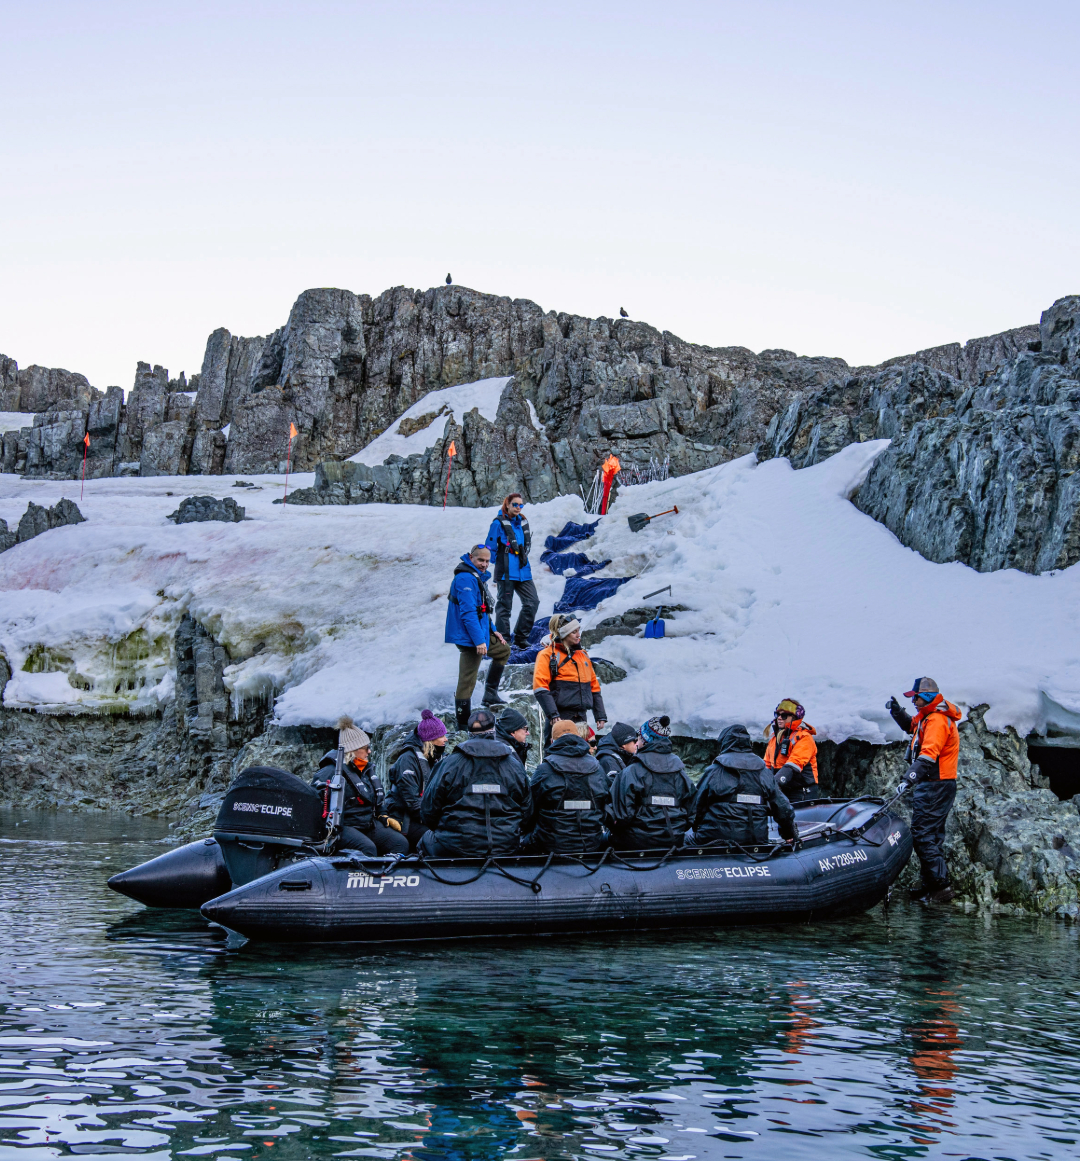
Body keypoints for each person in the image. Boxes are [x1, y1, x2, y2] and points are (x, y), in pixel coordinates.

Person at [888, 677, 962, 904]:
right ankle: (931, 885)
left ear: (928, 698)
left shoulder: (938, 721)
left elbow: (929, 755)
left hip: (935, 785)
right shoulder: (928, 717)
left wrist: (908, 778)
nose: (914, 702)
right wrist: (897, 712)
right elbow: (912, 725)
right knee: (931, 835)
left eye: (917, 698)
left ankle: (941, 887)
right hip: (936, 784)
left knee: (922, 835)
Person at [419, 707, 530, 858]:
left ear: (469, 733)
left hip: (456, 845)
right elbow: (528, 811)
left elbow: (428, 810)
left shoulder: (449, 764)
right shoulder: (514, 765)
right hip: (505, 845)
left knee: (424, 840)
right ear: (494, 730)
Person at [314, 717, 409, 857]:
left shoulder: (365, 771)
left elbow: (376, 800)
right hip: (343, 827)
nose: (369, 752)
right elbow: (316, 803)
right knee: (367, 848)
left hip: (367, 824)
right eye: (366, 748)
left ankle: (388, 876)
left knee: (400, 843)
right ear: (352, 750)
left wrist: (383, 815)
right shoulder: (330, 772)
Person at [689, 724, 797, 847]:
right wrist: (788, 834)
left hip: (714, 838)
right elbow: (784, 809)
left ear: (725, 743)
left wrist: (697, 827)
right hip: (755, 839)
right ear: (748, 743)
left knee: (684, 842)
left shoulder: (714, 771)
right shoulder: (764, 772)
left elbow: (696, 806)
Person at [445, 543, 512, 727]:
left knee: (503, 650)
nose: (484, 564)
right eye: (480, 560)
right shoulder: (465, 579)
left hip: (479, 632)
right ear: (471, 557)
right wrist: (479, 641)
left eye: (487, 561)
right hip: (469, 637)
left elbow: (482, 610)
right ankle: (462, 723)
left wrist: (493, 630)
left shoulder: (476, 576)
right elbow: (468, 614)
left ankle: (490, 694)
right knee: (468, 679)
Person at [523, 720, 610, 854]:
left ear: (552, 741)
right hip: (591, 843)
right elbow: (605, 805)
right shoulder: (597, 768)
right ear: (578, 738)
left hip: (550, 845)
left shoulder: (544, 769)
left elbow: (530, 811)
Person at [608, 716, 693, 852]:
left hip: (635, 841)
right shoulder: (681, 773)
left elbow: (622, 816)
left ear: (645, 740)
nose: (636, 743)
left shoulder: (632, 771)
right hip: (673, 840)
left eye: (639, 738)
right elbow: (692, 812)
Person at [532, 614, 608, 742]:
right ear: (563, 634)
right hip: (561, 717)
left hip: (582, 716)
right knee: (556, 752)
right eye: (574, 632)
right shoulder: (547, 655)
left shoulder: (583, 655)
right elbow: (540, 687)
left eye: (578, 630)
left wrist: (600, 715)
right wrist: (553, 715)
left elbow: (594, 687)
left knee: (583, 751)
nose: (579, 635)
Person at [384, 710, 448, 851]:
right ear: (430, 740)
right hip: (405, 817)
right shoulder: (407, 760)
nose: (446, 739)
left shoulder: (438, 758)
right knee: (439, 839)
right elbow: (412, 802)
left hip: (429, 815)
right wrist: (439, 819)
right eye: (442, 736)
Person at [486, 493, 540, 650]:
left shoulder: (522, 522)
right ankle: (504, 641)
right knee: (504, 607)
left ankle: (521, 637)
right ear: (507, 505)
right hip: (506, 572)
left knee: (532, 602)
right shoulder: (498, 523)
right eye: (515, 504)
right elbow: (489, 547)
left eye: (520, 505)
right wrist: (500, 562)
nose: (518, 507)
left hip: (524, 570)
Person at [763, 699, 819, 802]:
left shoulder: (804, 737)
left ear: (794, 717)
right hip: (781, 791)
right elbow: (766, 765)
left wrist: (775, 783)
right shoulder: (774, 739)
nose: (779, 718)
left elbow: (794, 764)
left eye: (784, 715)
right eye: (777, 714)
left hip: (801, 793)